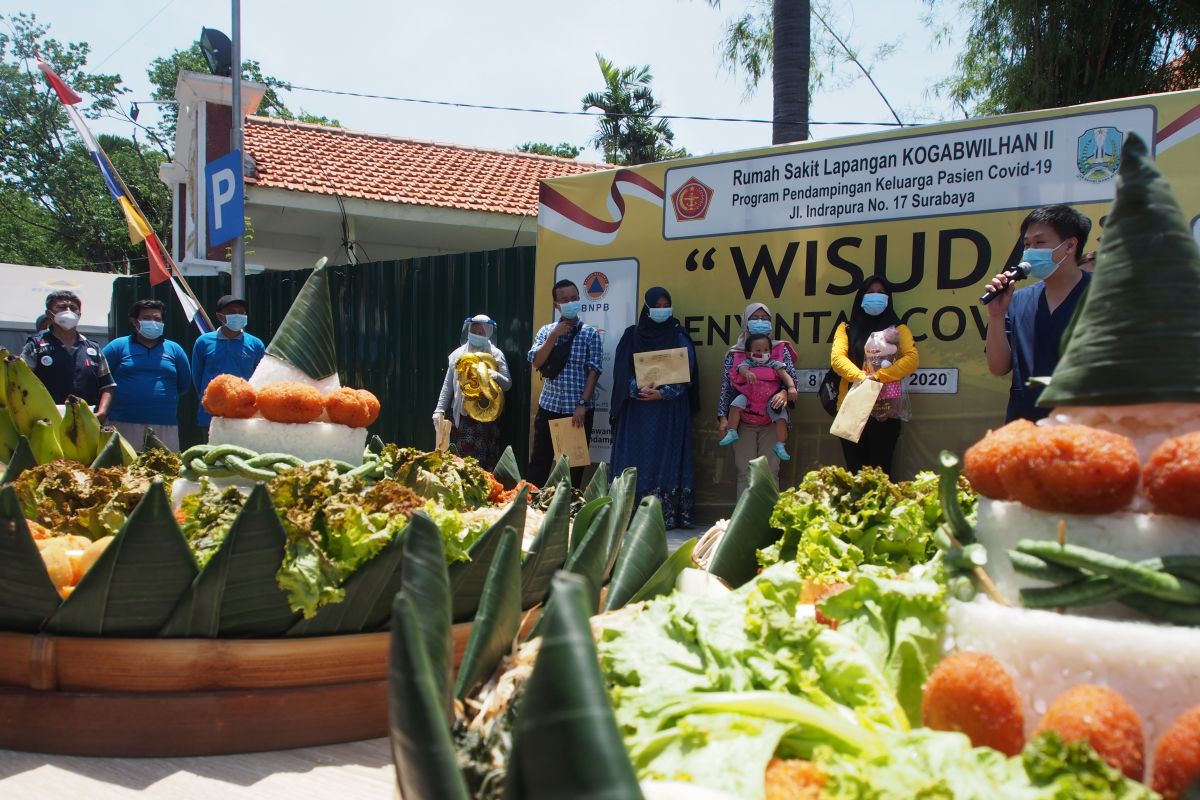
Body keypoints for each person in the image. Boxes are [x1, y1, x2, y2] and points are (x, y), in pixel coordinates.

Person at [984, 205, 1092, 422]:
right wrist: (996, 316)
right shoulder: (1018, 299)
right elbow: (998, 367)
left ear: (1070, 245)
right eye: (1027, 244)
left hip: (1084, 431)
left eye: (1040, 243)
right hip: (1025, 429)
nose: (1030, 251)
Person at [610, 287, 700, 528]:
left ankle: (666, 514)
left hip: (668, 412)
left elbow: (687, 372)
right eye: (656, 306)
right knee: (635, 460)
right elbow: (621, 371)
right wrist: (637, 389)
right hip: (637, 413)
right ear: (647, 308)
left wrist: (663, 393)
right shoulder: (633, 335)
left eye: (665, 305)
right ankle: (630, 512)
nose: (661, 310)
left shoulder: (679, 335)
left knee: (666, 460)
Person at [830, 277, 920, 478]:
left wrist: (878, 377)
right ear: (861, 297)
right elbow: (837, 359)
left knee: (881, 472)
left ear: (888, 298)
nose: (876, 296)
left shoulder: (899, 329)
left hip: (886, 409)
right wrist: (862, 378)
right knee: (854, 474)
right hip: (852, 406)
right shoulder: (845, 328)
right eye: (871, 292)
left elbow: (912, 359)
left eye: (881, 293)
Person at [527, 279, 603, 488]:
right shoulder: (546, 331)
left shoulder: (590, 333)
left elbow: (594, 372)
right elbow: (536, 361)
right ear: (556, 304)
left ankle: (568, 512)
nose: (569, 303)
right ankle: (531, 509)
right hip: (549, 406)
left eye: (573, 299)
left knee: (572, 469)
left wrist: (582, 404)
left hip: (576, 412)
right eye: (564, 300)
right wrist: (553, 336)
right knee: (539, 464)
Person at [717, 303, 798, 497]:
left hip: (771, 421)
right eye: (755, 318)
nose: (760, 322)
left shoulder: (780, 349)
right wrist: (723, 419)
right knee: (745, 472)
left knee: (770, 471)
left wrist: (785, 393)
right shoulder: (735, 354)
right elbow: (726, 388)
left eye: (765, 318)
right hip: (743, 422)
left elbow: (792, 381)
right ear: (745, 322)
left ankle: (770, 521)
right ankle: (745, 522)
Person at [102, 299, 192, 451]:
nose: (153, 322)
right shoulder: (117, 346)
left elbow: (184, 385)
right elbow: (101, 379)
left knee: (166, 471)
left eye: (157, 319)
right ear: (134, 321)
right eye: (146, 318)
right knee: (122, 471)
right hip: (122, 422)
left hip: (164, 423)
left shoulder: (174, 349)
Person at [432, 314, 512, 471]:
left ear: (488, 333)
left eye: (481, 332)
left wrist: (494, 375)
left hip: (486, 420)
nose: (476, 335)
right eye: (473, 331)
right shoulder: (458, 355)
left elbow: (507, 384)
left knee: (483, 466)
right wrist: (439, 409)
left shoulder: (496, 355)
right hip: (462, 418)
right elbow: (448, 385)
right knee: (459, 462)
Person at [21, 290, 114, 419]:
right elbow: (19, 381)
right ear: (49, 314)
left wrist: (102, 412)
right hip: (46, 419)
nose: (68, 311)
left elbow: (107, 385)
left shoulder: (93, 348)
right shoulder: (35, 345)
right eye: (61, 307)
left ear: (79, 314)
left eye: (73, 308)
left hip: (86, 418)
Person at [191, 295, 266, 431]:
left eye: (241, 312)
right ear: (220, 316)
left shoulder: (255, 344)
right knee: (210, 450)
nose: (238, 315)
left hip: (243, 412)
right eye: (232, 312)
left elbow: (261, 377)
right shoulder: (203, 342)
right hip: (211, 412)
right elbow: (197, 377)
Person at [719, 333, 798, 461]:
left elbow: (786, 376)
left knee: (782, 418)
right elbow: (741, 369)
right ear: (749, 353)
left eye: (766, 350)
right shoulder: (747, 362)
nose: (762, 353)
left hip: (769, 402)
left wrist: (791, 388)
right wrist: (747, 372)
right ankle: (732, 431)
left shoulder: (775, 364)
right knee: (735, 404)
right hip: (748, 399)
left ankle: (780, 444)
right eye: (758, 350)